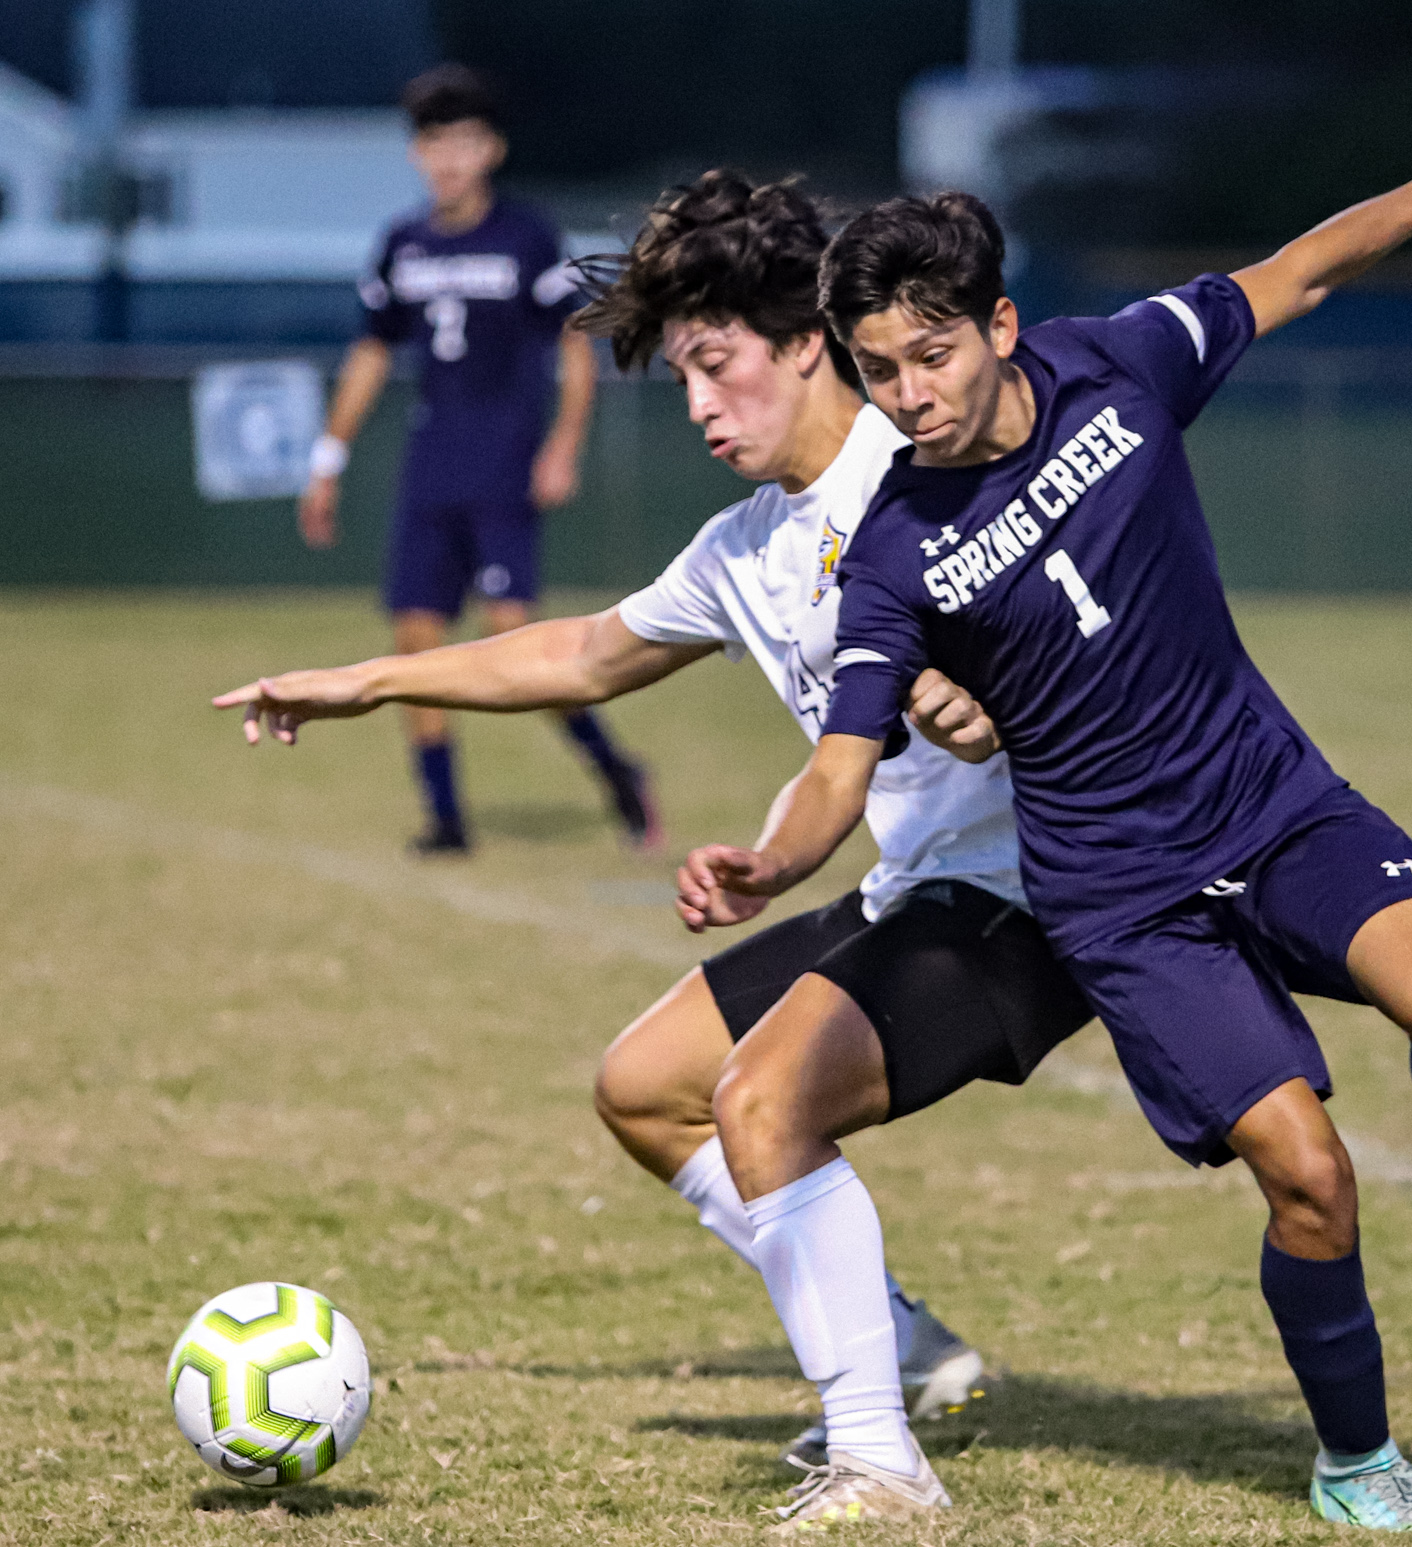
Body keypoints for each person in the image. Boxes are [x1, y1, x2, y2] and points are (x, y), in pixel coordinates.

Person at [675, 155, 1412, 1536]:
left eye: (931, 354)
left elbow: (1293, 273)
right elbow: (839, 761)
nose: (909, 396)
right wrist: (772, 860)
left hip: (1270, 802)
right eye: (879, 372)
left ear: (1000, 326)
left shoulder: (1120, 363)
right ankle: (1359, 1459)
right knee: (1305, 1171)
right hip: (1122, 899)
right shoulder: (889, 553)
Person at [214, 170, 1096, 1475]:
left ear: (807, 344)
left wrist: (994, 694)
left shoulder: (930, 468)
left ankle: (877, 1462)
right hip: (921, 886)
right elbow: (580, 653)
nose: (695, 406)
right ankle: (900, 1347)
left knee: (765, 1096)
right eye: (678, 376)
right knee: (645, 1088)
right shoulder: (749, 547)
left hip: (1045, 895)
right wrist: (370, 679)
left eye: (715, 365)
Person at [299, 63, 657, 856]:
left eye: (463, 141)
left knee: (514, 638)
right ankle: (446, 820)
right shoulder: (402, 242)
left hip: (503, 466)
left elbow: (574, 345)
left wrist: (562, 446)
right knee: (416, 643)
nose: (449, 158)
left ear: (490, 149)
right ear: (417, 154)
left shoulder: (526, 237)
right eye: (433, 142)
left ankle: (618, 771)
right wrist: (328, 458)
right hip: (431, 468)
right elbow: (370, 353)